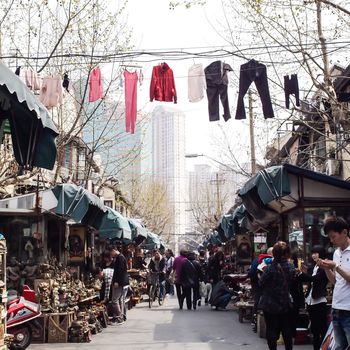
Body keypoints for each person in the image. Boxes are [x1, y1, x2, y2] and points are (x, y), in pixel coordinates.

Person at [317, 216, 350, 350]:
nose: (331, 241)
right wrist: (326, 269)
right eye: (329, 237)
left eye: (333, 236)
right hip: (337, 308)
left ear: (344, 232)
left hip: (349, 309)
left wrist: (335, 266)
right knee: (340, 346)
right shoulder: (336, 253)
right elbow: (336, 281)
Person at [259, 241, 295, 350]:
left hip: (270, 304)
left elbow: (261, 283)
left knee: (271, 329)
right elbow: (292, 282)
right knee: (286, 329)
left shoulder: (270, 268)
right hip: (285, 303)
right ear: (287, 253)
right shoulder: (290, 267)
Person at [298, 245, 328, 350]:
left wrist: (302, 275)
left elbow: (315, 279)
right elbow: (309, 278)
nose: (314, 255)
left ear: (321, 254)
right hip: (311, 301)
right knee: (315, 330)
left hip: (319, 301)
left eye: (316, 253)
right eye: (313, 253)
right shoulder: (314, 267)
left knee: (321, 329)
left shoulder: (324, 267)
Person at [110, 245, 129, 324]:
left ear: (114, 250)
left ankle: (119, 317)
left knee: (115, 300)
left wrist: (117, 281)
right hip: (122, 282)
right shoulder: (120, 257)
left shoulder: (120, 258)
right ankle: (123, 316)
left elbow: (120, 271)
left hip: (120, 282)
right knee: (121, 300)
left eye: (111, 252)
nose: (111, 254)